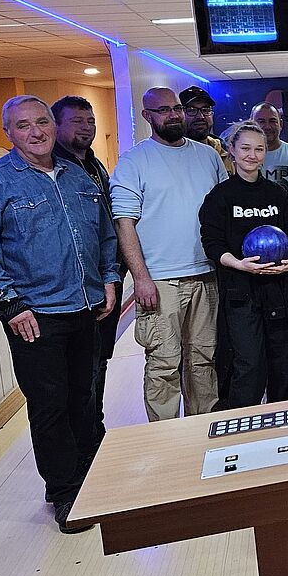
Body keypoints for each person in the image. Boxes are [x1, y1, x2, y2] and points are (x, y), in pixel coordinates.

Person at [0, 95, 118, 534]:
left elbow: (105, 234)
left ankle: (90, 475)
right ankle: (65, 492)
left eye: (43, 121)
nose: (36, 132)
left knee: (84, 398)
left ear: (53, 125)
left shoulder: (77, 176)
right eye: (24, 125)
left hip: (86, 308)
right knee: (51, 407)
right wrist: (10, 304)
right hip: (35, 316)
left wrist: (108, 278)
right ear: (8, 133)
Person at [111, 87, 228, 421]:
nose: (173, 115)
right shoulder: (134, 161)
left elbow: (224, 212)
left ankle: (203, 430)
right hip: (161, 281)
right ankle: (164, 437)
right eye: (163, 110)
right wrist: (141, 279)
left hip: (207, 275)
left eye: (177, 108)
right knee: (164, 364)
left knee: (204, 360)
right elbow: (124, 223)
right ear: (147, 116)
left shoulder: (208, 156)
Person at [199, 122, 288, 408]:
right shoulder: (220, 196)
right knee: (248, 365)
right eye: (245, 148)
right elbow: (212, 244)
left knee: (281, 363)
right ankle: (243, 426)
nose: (252, 155)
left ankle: (280, 422)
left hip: (278, 290)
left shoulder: (277, 195)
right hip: (241, 292)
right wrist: (239, 264)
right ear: (232, 151)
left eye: (259, 149)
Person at [51, 95, 122, 443]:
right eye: (76, 121)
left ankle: (95, 431)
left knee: (99, 363)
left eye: (90, 120)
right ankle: (83, 443)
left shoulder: (94, 165)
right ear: (56, 126)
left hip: (104, 280)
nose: (86, 127)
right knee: (78, 373)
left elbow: (106, 226)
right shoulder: (54, 169)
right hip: (69, 290)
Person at [180, 85, 233, 174]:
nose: (200, 116)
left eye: (206, 110)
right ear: (179, 114)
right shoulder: (171, 155)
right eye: (191, 110)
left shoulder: (224, 151)